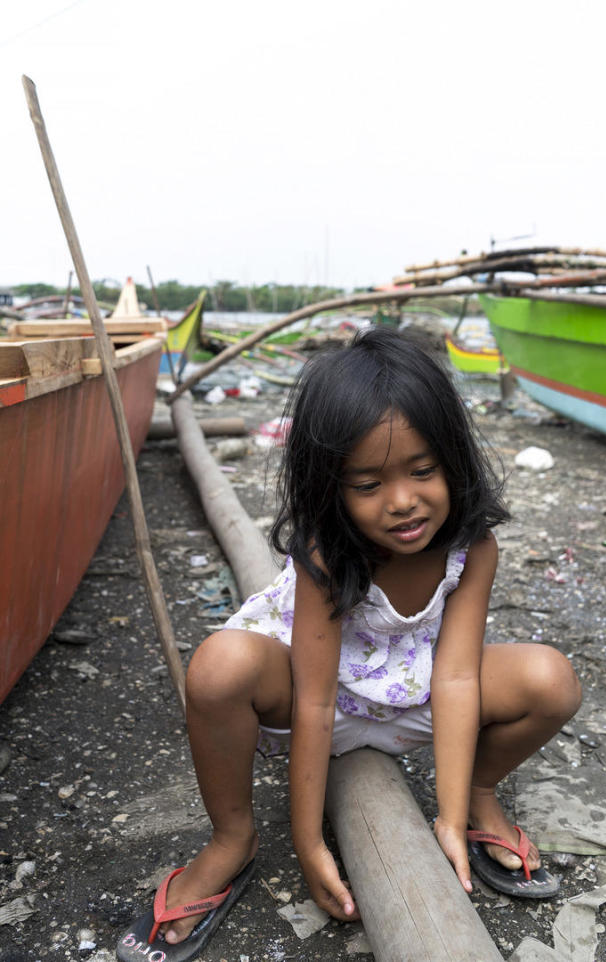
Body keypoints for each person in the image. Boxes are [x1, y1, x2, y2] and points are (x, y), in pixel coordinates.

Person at [117, 327, 582, 961]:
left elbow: (456, 678)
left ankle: (476, 796)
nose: (402, 503)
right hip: (318, 696)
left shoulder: (473, 548)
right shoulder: (327, 551)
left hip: (410, 689)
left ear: (454, 458)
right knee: (218, 667)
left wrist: (442, 815)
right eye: (367, 485)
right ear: (329, 487)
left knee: (551, 680)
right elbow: (311, 698)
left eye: (423, 471)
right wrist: (308, 841)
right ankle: (232, 838)